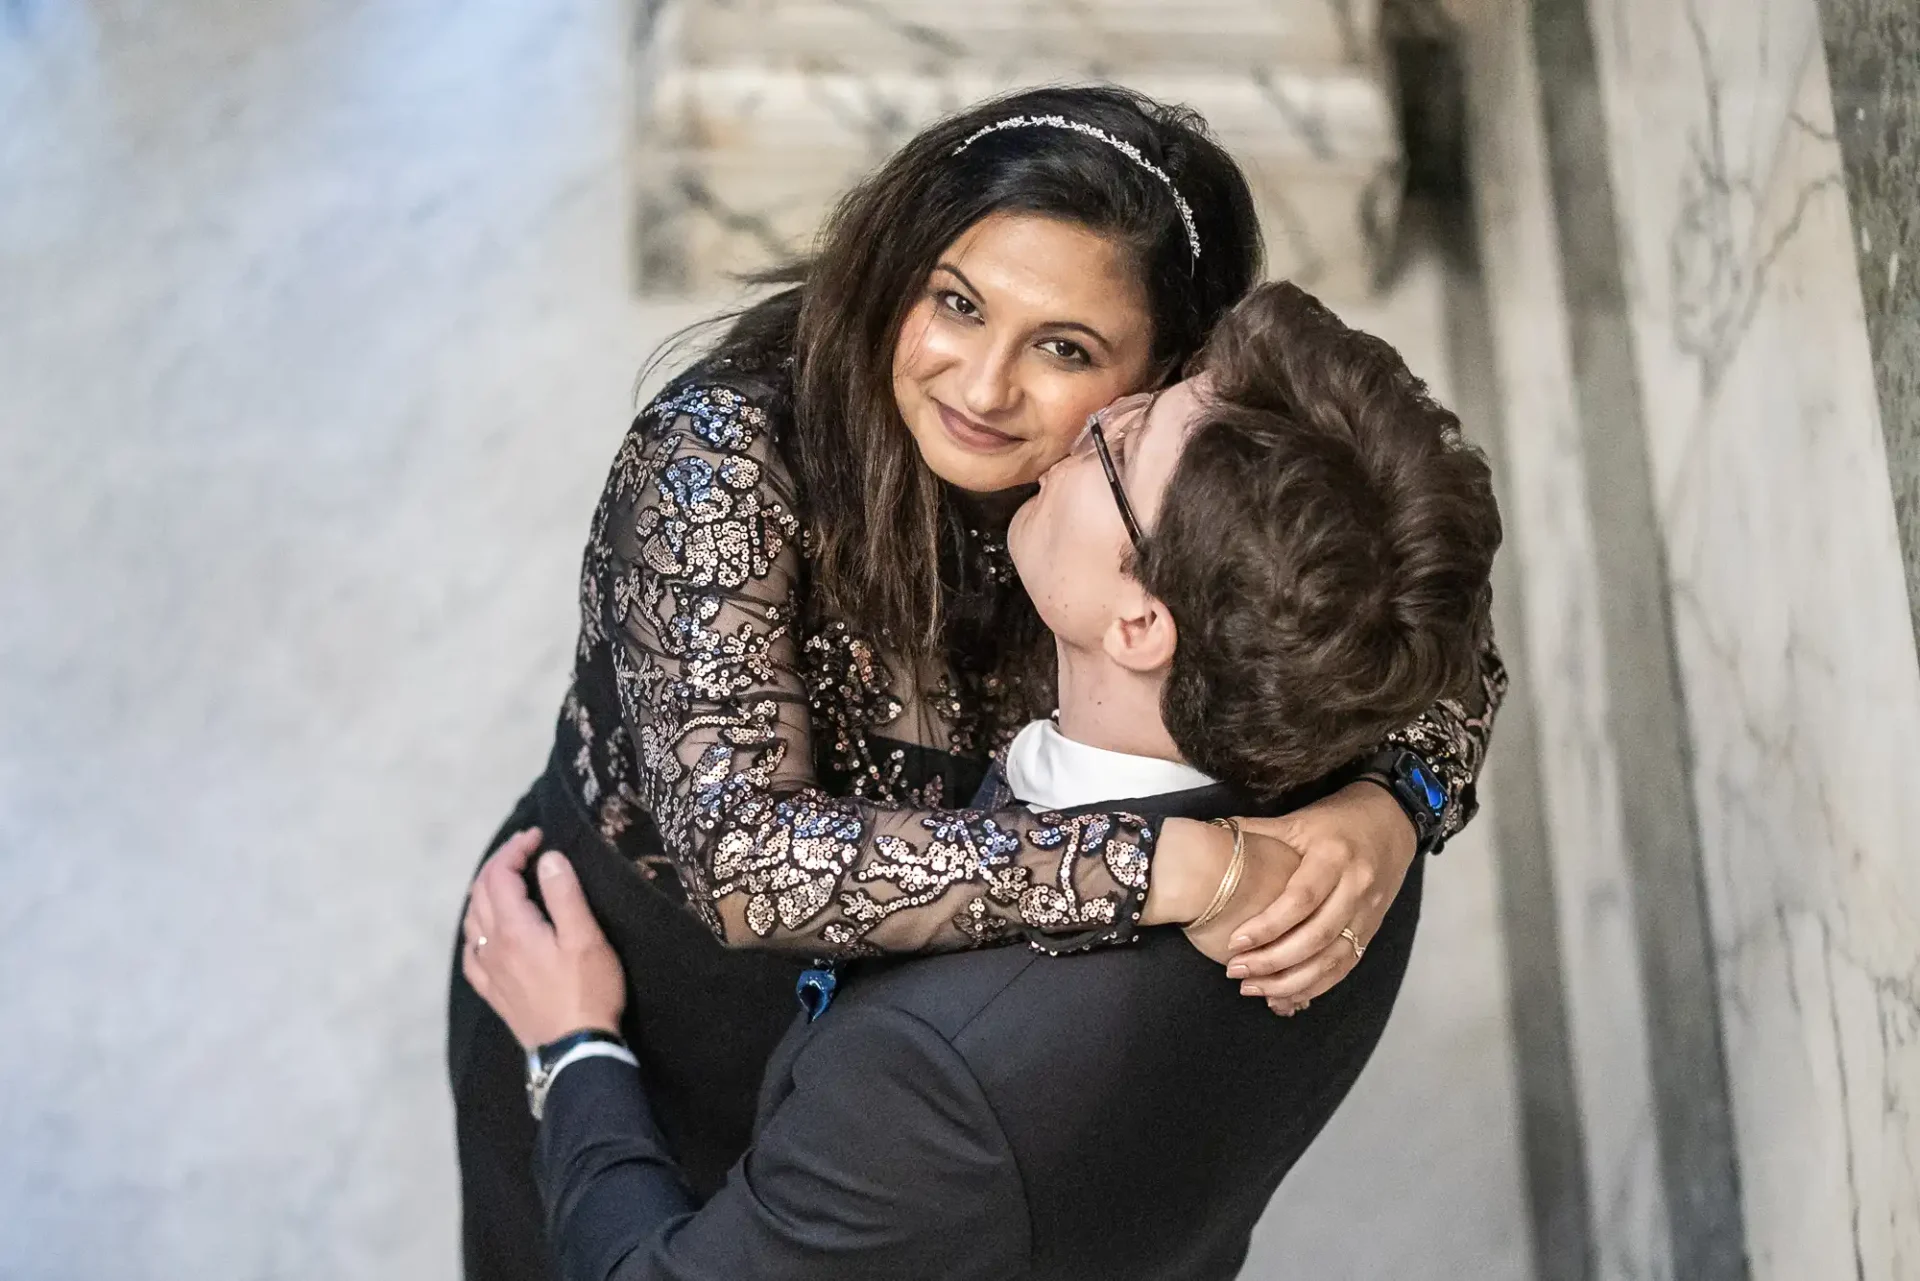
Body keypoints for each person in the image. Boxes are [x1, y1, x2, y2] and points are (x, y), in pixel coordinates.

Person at [448, 86, 1508, 1280]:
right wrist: (1170, 866)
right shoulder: (725, 463)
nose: (983, 386)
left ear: (1168, 368)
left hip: (947, 1038)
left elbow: (1406, 612)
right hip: (654, 998)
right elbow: (747, 860)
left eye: (1066, 348)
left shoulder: (1170, 492)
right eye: (956, 302)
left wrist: (1391, 804)